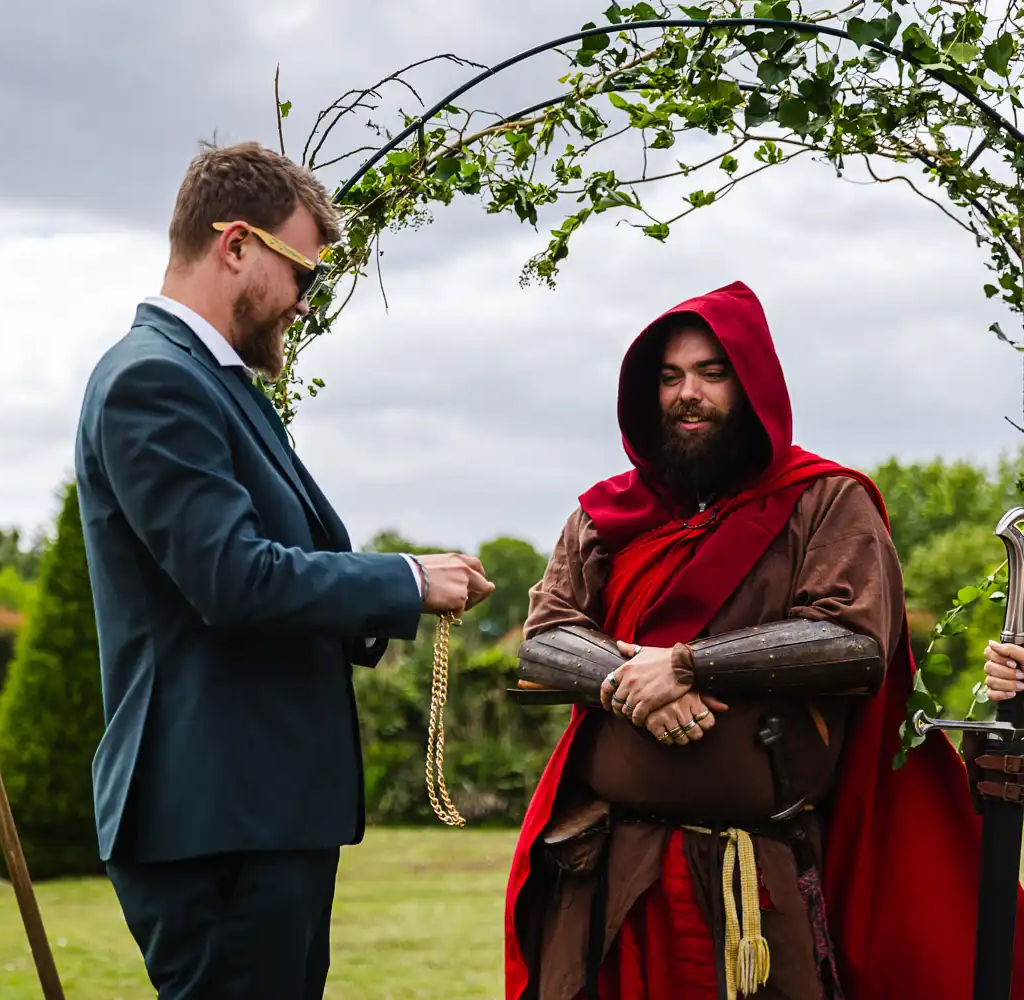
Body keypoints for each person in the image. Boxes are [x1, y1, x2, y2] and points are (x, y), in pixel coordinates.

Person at [503, 280, 1024, 999]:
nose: (689, 393)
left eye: (713, 374)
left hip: (754, 876)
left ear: (752, 385)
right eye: (670, 376)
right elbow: (546, 640)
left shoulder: (825, 501)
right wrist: (633, 691)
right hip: (608, 874)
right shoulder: (608, 515)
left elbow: (851, 644)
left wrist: (689, 666)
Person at [74, 140, 495, 999]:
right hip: (216, 821)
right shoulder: (152, 381)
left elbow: (288, 557)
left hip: (257, 817)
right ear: (235, 245)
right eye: (303, 273)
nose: (306, 302)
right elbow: (233, 577)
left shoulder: (215, 382)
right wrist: (406, 582)